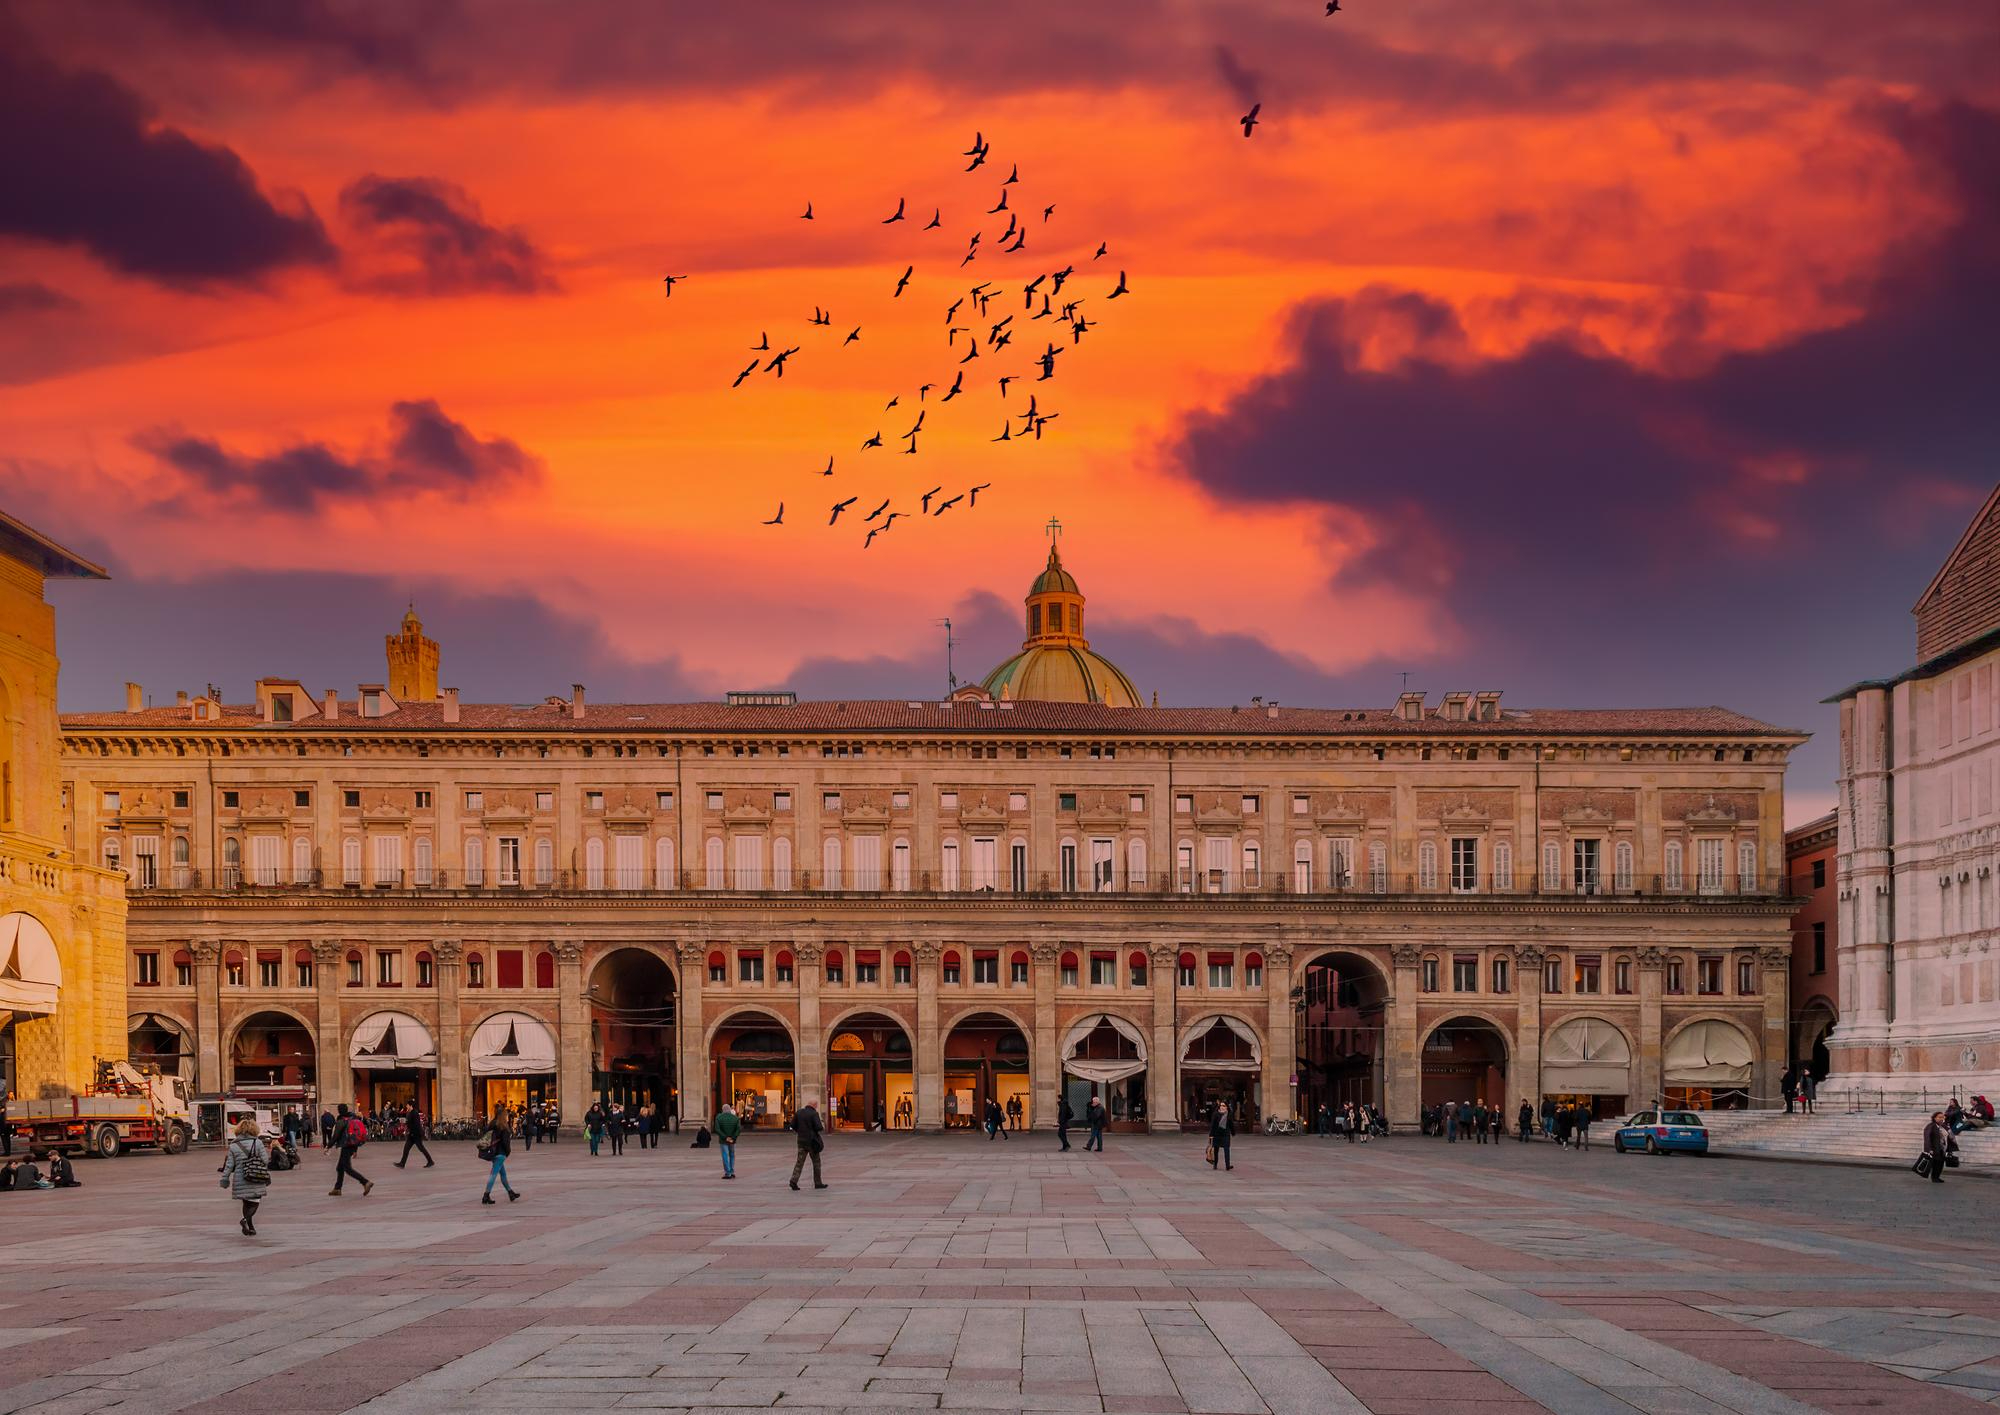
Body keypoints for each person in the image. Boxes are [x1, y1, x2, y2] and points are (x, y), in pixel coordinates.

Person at [220, 1117, 269, 1236]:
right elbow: (265, 1160)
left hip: (240, 1177)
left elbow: (229, 1164)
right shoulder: (257, 1143)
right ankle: (245, 1221)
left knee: (246, 1202)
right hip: (255, 1175)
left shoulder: (234, 1145)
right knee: (255, 1201)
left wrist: (225, 1178)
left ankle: (250, 1228)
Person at [329, 1103, 372, 1197]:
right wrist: (355, 1149)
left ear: (339, 1111)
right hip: (352, 1145)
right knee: (340, 1168)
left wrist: (328, 1146)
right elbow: (356, 1134)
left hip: (346, 1145)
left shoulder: (341, 1120)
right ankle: (337, 1189)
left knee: (347, 1168)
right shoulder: (353, 1118)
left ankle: (365, 1182)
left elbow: (335, 1136)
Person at [480, 1105, 519, 1205]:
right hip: (500, 1153)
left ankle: (510, 1193)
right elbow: (506, 1142)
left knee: (503, 1174)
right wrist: (508, 1152)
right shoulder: (503, 1126)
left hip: (492, 1151)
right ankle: (486, 1195)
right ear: (503, 1115)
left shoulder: (491, 1124)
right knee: (493, 1174)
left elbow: (485, 1135)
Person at [790, 1098, 827, 1191]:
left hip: (801, 1141)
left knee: (799, 1162)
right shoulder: (814, 1114)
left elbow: (792, 1125)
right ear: (814, 1105)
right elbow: (819, 1127)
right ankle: (818, 1183)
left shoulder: (799, 1112)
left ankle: (793, 1180)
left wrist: (800, 1131)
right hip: (812, 1142)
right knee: (816, 1162)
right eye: (816, 1105)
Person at [395, 1104, 434, 1169]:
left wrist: (412, 1132)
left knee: (421, 1148)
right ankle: (402, 1163)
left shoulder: (415, 1113)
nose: (406, 1106)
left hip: (416, 1134)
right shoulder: (409, 1113)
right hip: (411, 1135)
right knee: (406, 1148)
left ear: (411, 1106)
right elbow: (409, 1122)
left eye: (407, 1105)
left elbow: (416, 1124)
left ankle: (430, 1161)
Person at [1923, 1110, 1957, 1184]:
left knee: (1940, 1163)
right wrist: (1929, 1149)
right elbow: (1927, 1138)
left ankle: (1937, 1177)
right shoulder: (1931, 1126)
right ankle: (1934, 1177)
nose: (1941, 1119)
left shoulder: (1944, 1126)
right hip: (1935, 1148)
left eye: (1942, 1117)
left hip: (1943, 1148)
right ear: (1934, 1118)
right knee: (1936, 1163)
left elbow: (1949, 1136)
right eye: (1939, 1117)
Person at [714, 1101, 741, 1179]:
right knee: (732, 1155)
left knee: (725, 1155)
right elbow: (738, 1129)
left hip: (723, 1140)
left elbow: (717, 1129)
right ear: (730, 1109)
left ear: (723, 1110)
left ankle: (727, 1173)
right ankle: (732, 1171)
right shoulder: (735, 1118)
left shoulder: (719, 1117)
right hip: (732, 1140)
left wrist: (725, 1137)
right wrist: (733, 1137)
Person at [1208, 1101, 1233, 1171]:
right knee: (1216, 1150)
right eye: (1221, 1105)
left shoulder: (1229, 1114)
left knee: (1227, 1150)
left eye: (1224, 1105)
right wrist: (1211, 1135)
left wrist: (1233, 1132)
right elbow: (1213, 1125)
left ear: (1227, 1107)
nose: (1222, 1107)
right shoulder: (1216, 1114)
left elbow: (1231, 1124)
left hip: (1225, 1135)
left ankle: (1227, 1165)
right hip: (1217, 1134)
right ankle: (1215, 1164)